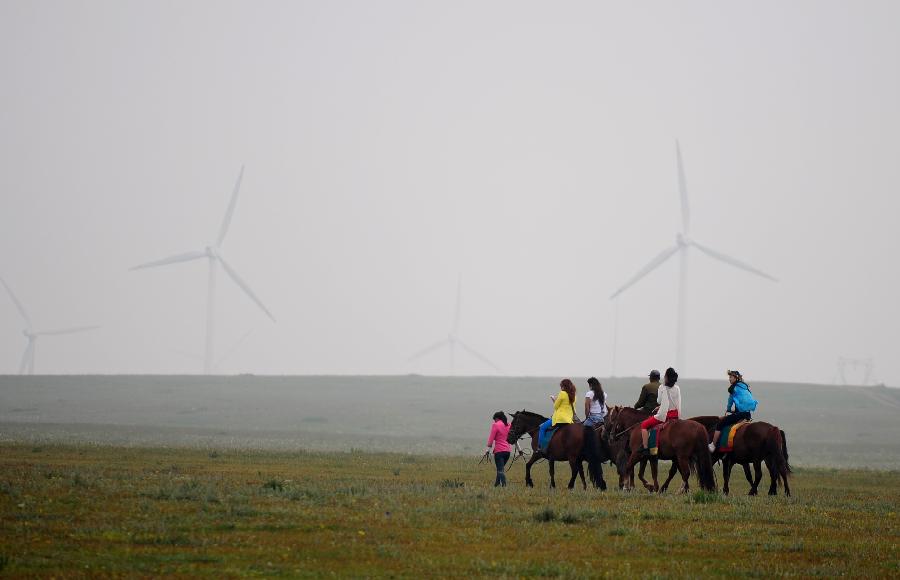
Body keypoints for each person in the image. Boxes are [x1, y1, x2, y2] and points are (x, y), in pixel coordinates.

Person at [709, 370, 758, 452]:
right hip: (747, 414)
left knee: (721, 424)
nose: (729, 379)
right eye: (729, 377)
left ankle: (713, 445)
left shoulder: (733, 388)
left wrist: (728, 409)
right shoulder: (745, 387)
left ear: (736, 378)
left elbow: (730, 401)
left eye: (731, 377)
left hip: (740, 414)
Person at [639, 367, 682, 453]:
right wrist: (661, 406)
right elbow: (675, 402)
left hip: (665, 415)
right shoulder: (677, 388)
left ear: (666, 377)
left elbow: (658, 400)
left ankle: (645, 448)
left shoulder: (662, 387)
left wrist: (660, 406)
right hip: (675, 414)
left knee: (644, 425)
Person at [537, 379, 577, 450]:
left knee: (542, 428)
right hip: (569, 419)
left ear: (563, 386)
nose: (561, 388)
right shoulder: (573, 395)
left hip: (560, 419)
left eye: (561, 386)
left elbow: (556, 406)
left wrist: (554, 399)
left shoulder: (562, 393)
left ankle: (540, 447)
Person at [484, 411, 511, 486]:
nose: (494, 421)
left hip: (499, 451)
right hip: (508, 452)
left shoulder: (495, 425)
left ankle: (504, 486)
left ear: (497, 418)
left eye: (494, 419)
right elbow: (514, 438)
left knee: (500, 470)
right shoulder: (509, 425)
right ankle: (496, 484)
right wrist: (520, 450)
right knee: (500, 469)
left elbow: (491, 439)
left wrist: (487, 450)